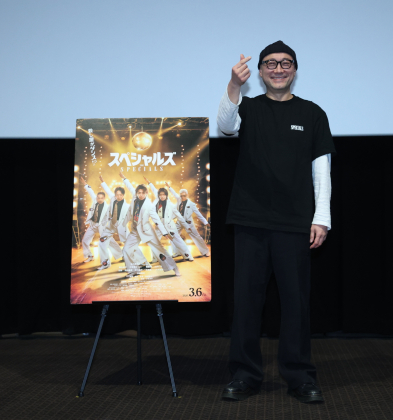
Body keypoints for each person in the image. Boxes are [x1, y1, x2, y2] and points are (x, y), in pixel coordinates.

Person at [216, 40, 336, 404]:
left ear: (295, 70)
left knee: (295, 304)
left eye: (285, 63)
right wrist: (233, 85)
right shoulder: (248, 107)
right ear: (260, 71)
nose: (278, 69)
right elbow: (225, 127)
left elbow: (322, 169)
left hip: (295, 223)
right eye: (270, 63)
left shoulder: (313, 113)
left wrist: (322, 217)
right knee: (246, 302)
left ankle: (300, 376)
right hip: (250, 219)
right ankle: (244, 374)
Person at [121, 183, 180, 278]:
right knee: (126, 249)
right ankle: (134, 270)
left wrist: (164, 232)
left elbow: (156, 219)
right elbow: (129, 213)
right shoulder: (134, 200)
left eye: (143, 193)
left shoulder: (149, 205)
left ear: (146, 193)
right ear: (136, 193)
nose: (141, 195)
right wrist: (122, 224)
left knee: (160, 249)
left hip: (147, 231)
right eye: (139, 193)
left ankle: (174, 267)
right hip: (135, 231)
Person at [98, 172, 148, 267]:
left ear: (123, 195)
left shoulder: (127, 206)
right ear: (115, 195)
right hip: (111, 226)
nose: (119, 196)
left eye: (121, 195)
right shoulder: (113, 199)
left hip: (122, 227)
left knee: (130, 245)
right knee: (102, 241)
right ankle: (105, 263)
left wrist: (124, 178)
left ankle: (142, 261)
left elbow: (132, 190)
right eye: (117, 195)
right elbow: (107, 190)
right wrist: (103, 181)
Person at [144, 176, 194, 262]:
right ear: (158, 195)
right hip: (159, 226)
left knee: (178, 241)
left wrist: (186, 225)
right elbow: (154, 190)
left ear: (166, 195)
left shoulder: (170, 205)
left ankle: (187, 256)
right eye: (160, 195)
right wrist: (149, 182)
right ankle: (155, 258)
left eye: (164, 195)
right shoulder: (156, 202)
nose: (162, 196)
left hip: (170, 226)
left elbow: (179, 216)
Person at [79, 176, 112, 270]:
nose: (99, 199)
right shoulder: (95, 200)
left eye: (102, 198)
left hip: (101, 227)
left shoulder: (107, 207)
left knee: (104, 244)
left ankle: (106, 262)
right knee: (85, 241)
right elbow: (90, 191)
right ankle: (90, 256)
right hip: (93, 225)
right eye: (98, 198)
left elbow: (110, 218)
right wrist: (85, 183)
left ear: (104, 198)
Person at [168, 184, 210, 257]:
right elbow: (174, 193)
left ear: (187, 195)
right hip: (179, 222)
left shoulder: (191, 204)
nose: (182, 197)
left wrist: (205, 222)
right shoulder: (179, 199)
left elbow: (198, 214)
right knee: (172, 235)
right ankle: (177, 252)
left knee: (197, 237)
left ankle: (205, 251)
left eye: (184, 196)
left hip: (188, 223)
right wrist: (169, 187)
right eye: (181, 196)